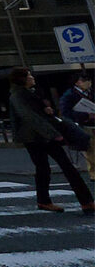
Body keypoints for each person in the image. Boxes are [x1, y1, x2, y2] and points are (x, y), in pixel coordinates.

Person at [8, 67, 94, 214]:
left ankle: (51, 201)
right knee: (55, 168)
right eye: (29, 76)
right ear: (22, 79)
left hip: (41, 136)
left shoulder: (31, 92)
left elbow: (38, 113)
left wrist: (47, 110)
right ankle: (82, 201)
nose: (32, 78)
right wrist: (52, 134)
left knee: (54, 167)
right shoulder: (17, 96)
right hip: (35, 138)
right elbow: (30, 117)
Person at [59, 73, 95, 181]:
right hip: (84, 125)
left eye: (88, 80)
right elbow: (65, 113)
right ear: (76, 82)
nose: (87, 82)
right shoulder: (69, 95)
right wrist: (85, 115)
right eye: (83, 80)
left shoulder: (91, 92)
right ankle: (93, 173)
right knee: (91, 150)